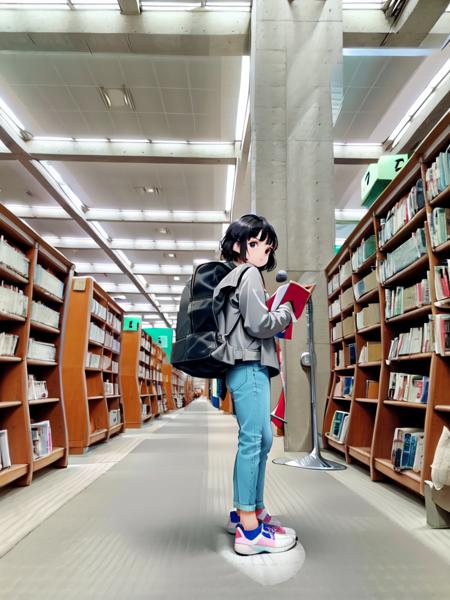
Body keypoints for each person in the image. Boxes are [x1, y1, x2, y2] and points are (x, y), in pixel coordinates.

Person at [212, 214, 297, 556]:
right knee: (253, 441)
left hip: (244, 365)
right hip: (249, 364)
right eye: (256, 244)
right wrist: (286, 312)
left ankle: (249, 511)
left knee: (259, 440)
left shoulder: (235, 276)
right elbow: (259, 323)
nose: (263, 252)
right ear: (239, 246)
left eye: (267, 246)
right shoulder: (247, 274)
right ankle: (250, 529)